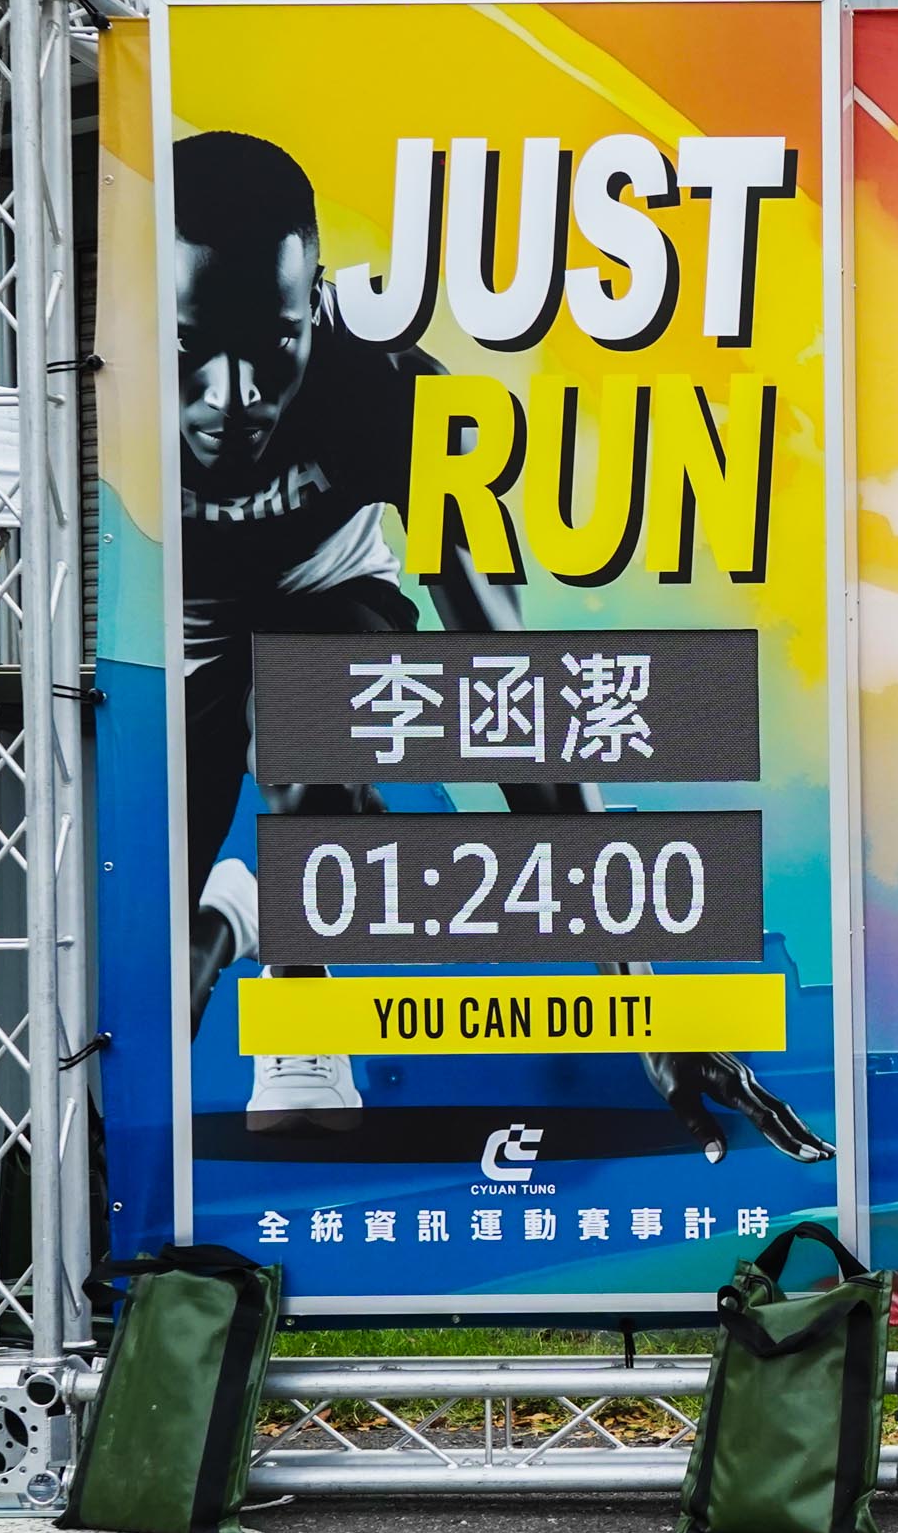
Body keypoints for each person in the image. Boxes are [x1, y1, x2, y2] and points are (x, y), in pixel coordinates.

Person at [165, 131, 827, 1164]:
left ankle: (299, 1000)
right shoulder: (113, 400)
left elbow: (507, 691)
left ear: (319, 304)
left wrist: (645, 1008)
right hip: (194, 628)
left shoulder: (394, 392)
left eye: (273, 343)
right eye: (190, 348)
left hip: (329, 594)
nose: (231, 394)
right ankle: (240, 910)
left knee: (310, 722)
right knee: (166, 956)